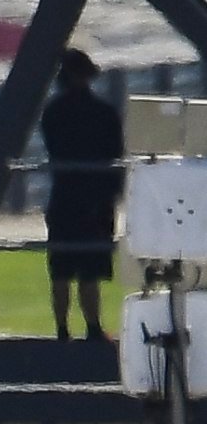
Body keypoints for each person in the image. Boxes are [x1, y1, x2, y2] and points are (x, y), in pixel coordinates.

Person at [44, 47, 126, 340]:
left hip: (64, 197)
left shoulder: (53, 113)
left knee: (61, 269)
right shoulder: (104, 113)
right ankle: (93, 327)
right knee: (90, 270)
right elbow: (116, 158)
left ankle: (62, 329)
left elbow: (54, 151)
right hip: (96, 199)